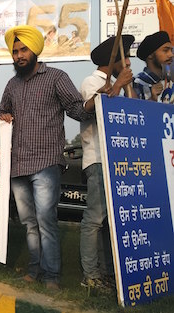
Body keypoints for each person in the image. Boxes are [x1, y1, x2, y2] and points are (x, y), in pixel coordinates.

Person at [0, 25, 94, 290]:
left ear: (35, 50)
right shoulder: (12, 84)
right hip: (18, 165)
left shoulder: (56, 77)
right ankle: (34, 270)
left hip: (46, 162)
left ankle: (52, 277)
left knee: (46, 221)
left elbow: (77, 109)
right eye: (15, 51)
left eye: (23, 49)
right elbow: (1, 110)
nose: (18, 55)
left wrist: (95, 102)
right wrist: (2, 115)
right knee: (29, 223)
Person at [79, 35, 134, 291]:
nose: (128, 61)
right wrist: (119, 85)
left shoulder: (116, 84)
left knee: (108, 222)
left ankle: (107, 272)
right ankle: (90, 275)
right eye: (123, 56)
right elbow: (97, 108)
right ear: (112, 60)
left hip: (115, 161)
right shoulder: (92, 82)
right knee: (94, 219)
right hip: (99, 159)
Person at [133, 31, 174, 103]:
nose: (171, 55)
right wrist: (152, 98)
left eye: (171, 50)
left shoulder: (169, 82)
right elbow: (134, 110)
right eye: (165, 50)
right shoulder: (138, 82)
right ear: (150, 55)